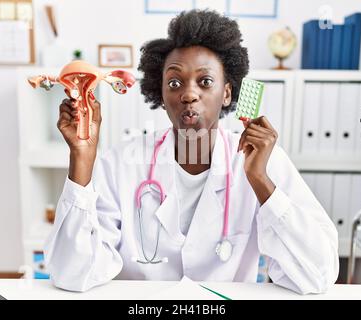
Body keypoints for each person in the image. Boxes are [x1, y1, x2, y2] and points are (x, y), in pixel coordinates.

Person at [44, 9, 339, 294]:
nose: (188, 93)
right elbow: (72, 273)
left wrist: (261, 181)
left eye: (205, 81)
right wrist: (81, 159)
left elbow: (318, 274)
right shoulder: (120, 163)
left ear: (226, 93)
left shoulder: (262, 159)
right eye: (174, 82)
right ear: (160, 93)